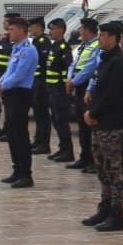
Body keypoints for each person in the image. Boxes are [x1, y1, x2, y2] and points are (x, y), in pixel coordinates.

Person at [81, 21, 123, 232]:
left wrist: (93, 112)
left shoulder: (119, 62)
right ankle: (104, 206)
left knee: (113, 169)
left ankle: (116, 214)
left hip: (112, 123)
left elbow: (112, 95)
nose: (99, 38)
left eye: (103, 35)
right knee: (102, 168)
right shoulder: (105, 59)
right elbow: (99, 88)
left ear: (113, 37)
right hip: (100, 122)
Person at [0, 17, 38, 188]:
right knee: (12, 134)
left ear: (21, 30)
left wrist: (3, 85)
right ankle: (17, 169)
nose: (9, 32)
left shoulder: (28, 50)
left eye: (12, 29)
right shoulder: (16, 48)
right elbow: (10, 70)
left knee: (20, 135)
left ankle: (26, 174)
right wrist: (0, 81)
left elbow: (19, 75)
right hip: (10, 92)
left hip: (20, 93)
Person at [68, 18, 101, 170]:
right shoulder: (83, 46)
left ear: (88, 30)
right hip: (77, 86)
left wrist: (73, 82)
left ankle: (93, 160)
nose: (80, 32)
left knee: (89, 126)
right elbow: (74, 64)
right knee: (81, 124)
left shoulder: (96, 46)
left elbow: (89, 68)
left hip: (87, 88)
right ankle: (84, 157)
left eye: (81, 29)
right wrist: (70, 78)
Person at [44, 18, 75, 163]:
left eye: (53, 29)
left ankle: (68, 151)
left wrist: (64, 88)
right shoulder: (54, 46)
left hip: (60, 91)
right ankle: (62, 148)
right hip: (51, 89)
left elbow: (68, 68)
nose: (50, 32)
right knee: (55, 120)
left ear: (61, 30)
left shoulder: (64, 48)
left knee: (62, 121)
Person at [0, 13, 19, 142]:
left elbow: (7, 52)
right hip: (1, 74)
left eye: (6, 22)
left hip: (10, 80)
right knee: (6, 107)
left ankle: (9, 131)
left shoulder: (15, 42)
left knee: (11, 109)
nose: (4, 24)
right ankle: (5, 129)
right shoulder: (4, 39)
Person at [29, 17, 53, 155]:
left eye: (32, 27)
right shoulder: (36, 42)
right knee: (37, 113)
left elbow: (43, 63)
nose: (30, 30)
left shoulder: (44, 42)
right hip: (35, 82)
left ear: (39, 27)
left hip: (43, 83)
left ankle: (44, 144)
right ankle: (38, 140)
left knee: (43, 114)